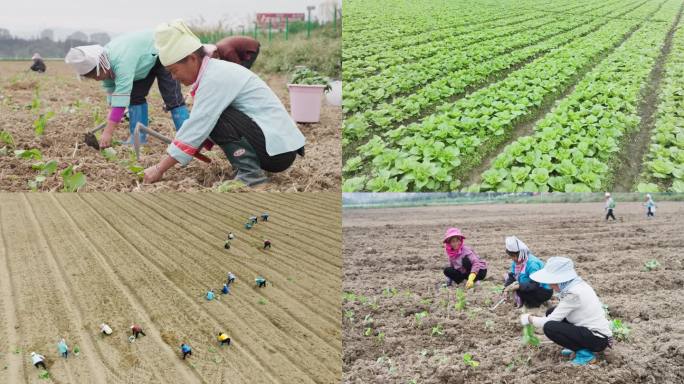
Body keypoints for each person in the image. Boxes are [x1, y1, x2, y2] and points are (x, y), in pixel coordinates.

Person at [143, 20, 305, 186]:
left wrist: (159, 168)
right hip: (277, 147)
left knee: (213, 116)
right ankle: (248, 170)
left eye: (174, 71)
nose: (173, 77)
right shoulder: (214, 71)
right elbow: (199, 128)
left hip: (279, 153)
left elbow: (199, 124)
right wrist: (186, 147)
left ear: (192, 59)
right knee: (209, 116)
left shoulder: (215, 77)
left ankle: (251, 175)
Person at [64, 30, 190, 148]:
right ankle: (138, 138)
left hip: (160, 52)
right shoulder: (105, 67)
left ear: (102, 66)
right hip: (142, 63)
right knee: (135, 98)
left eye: (96, 76)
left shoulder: (121, 62)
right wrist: (113, 113)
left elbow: (120, 101)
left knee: (172, 97)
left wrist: (108, 133)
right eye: (92, 78)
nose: (97, 80)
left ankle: (187, 139)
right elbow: (114, 99)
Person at [520, 257, 613, 366]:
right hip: (591, 333)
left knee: (550, 327)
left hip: (597, 339)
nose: (550, 285)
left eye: (551, 281)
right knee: (551, 311)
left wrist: (529, 319)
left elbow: (549, 322)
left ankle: (586, 355)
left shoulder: (573, 294)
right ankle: (575, 345)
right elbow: (556, 314)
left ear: (560, 280)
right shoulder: (576, 285)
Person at [503, 236, 553, 308]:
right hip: (528, 286)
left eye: (514, 256)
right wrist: (506, 288)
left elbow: (534, 284)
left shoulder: (532, 264)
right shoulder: (516, 262)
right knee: (515, 290)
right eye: (511, 256)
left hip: (543, 290)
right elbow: (512, 276)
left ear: (521, 253)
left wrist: (519, 286)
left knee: (520, 292)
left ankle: (539, 302)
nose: (513, 259)